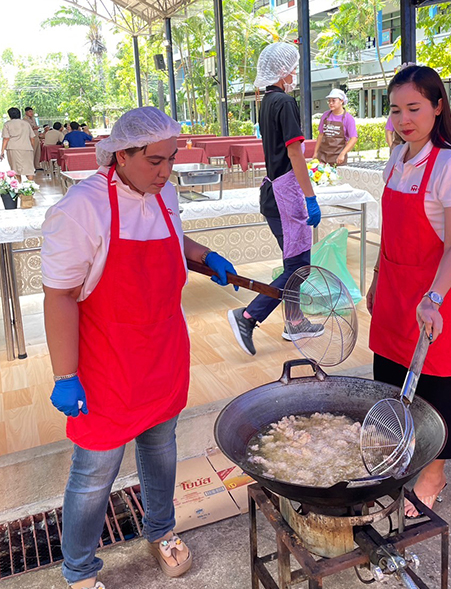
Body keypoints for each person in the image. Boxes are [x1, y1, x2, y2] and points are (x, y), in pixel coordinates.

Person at [41, 107, 237, 589]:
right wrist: (65, 376)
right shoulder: (81, 209)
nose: (166, 171)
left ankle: (161, 530)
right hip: (106, 362)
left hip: (162, 350)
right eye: (154, 160)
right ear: (121, 155)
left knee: (161, 448)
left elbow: (173, 238)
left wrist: (204, 255)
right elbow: (59, 296)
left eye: (172, 158)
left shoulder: (163, 192)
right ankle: (79, 570)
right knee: (95, 471)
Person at [367, 64, 451, 518]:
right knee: (394, 378)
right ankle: (402, 458)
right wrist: (377, 278)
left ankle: (434, 474)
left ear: (437, 107)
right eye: (395, 110)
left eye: (414, 108)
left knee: (437, 384)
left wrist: (433, 298)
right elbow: (389, 232)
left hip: (437, 292)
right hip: (396, 288)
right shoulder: (396, 159)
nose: (404, 119)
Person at [227, 42, 322, 355]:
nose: (294, 74)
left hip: (274, 193)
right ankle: (248, 316)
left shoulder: (267, 101)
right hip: (285, 197)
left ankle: (294, 321)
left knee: (293, 263)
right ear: (282, 71)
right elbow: (295, 153)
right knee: (299, 267)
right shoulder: (284, 101)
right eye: (292, 68)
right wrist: (310, 197)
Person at [314, 88, 358, 166]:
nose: (331, 103)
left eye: (333, 101)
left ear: (341, 101)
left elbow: (354, 138)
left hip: (338, 158)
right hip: (323, 156)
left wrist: (343, 154)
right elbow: (321, 135)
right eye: (329, 101)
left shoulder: (348, 118)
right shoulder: (325, 116)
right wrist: (315, 152)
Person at [2, 107, 37, 180]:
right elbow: (32, 138)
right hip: (27, 148)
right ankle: (30, 185)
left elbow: (6, 138)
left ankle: (19, 185)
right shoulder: (26, 124)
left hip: (13, 149)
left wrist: (2, 151)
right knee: (29, 169)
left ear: (10, 115)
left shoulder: (7, 124)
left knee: (15, 170)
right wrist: (31, 147)